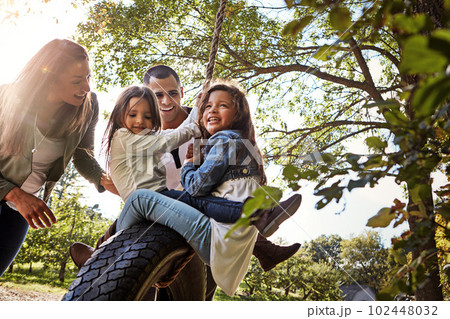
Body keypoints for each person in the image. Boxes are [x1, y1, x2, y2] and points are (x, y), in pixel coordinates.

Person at [85, 80, 301, 296]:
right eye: (133, 114)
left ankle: (255, 215)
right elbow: (167, 142)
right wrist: (195, 129)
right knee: (144, 197)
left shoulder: (150, 137)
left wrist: (200, 108)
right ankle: (97, 253)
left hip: (161, 205)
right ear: (120, 115)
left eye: (148, 116)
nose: (140, 121)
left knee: (193, 199)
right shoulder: (123, 137)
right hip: (135, 213)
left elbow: (172, 135)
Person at [0, 39, 116, 276]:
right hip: (15, 197)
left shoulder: (88, 105)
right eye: (76, 81)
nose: (86, 87)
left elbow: (83, 156)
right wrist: (14, 194)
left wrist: (105, 180)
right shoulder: (7, 98)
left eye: (88, 77)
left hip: (23, 207)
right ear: (49, 78)